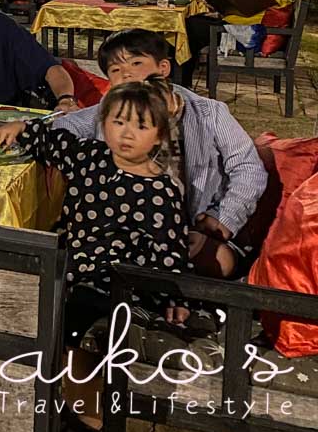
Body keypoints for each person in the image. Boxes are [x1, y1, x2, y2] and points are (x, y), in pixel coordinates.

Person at [0, 79, 191, 432]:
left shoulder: (162, 191)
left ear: (159, 135)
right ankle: (63, 406)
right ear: (103, 124)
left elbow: (170, 251)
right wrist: (22, 128)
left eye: (140, 125)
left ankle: (88, 420)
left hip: (121, 281)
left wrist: (172, 298)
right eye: (118, 122)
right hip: (74, 268)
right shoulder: (91, 158)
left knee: (83, 315)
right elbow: (54, 142)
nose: (126, 133)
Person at [47, 29, 267, 279]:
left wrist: (223, 218)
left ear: (163, 68)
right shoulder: (109, 113)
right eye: (115, 71)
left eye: (136, 63)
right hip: (125, 225)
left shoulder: (210, 113)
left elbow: (248, 168)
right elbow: (64, 126)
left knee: (221, 262)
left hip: (193, 224)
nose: (126, 74)